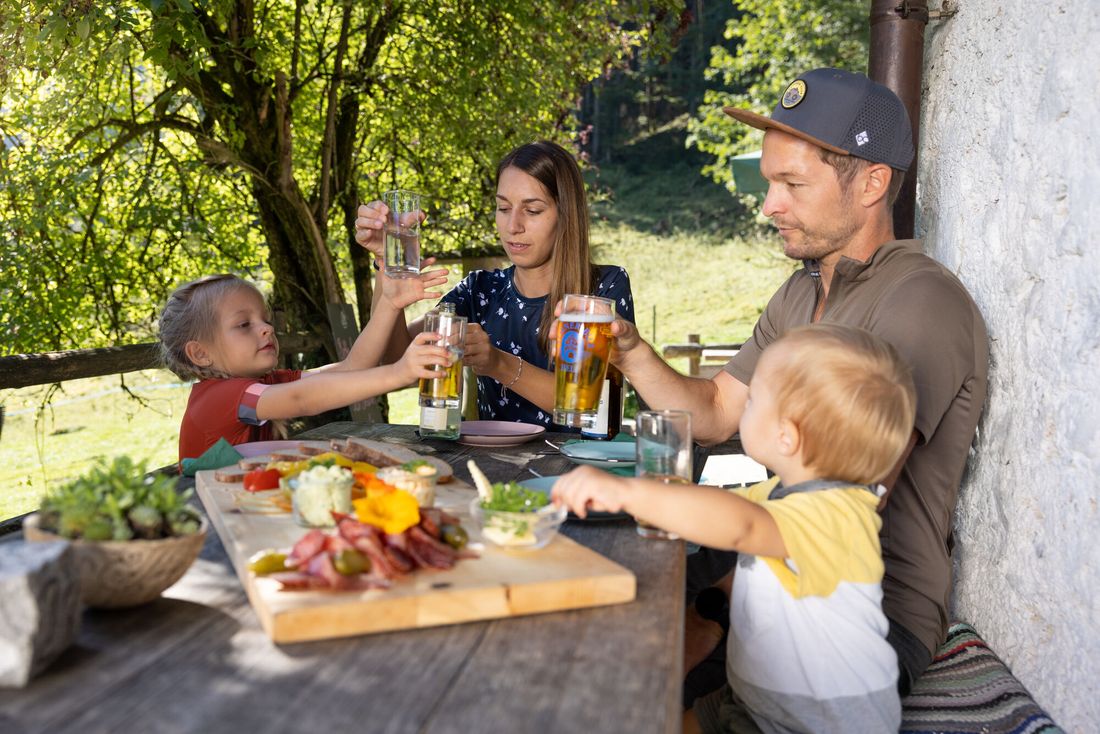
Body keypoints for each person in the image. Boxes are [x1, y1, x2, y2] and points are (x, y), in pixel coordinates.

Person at [602, 68, 989, 696]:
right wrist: (631, 354)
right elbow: (717, 412)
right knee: (596, 583)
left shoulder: (921, 302)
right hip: (766, 564)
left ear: (872, 183)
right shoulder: (800, 292)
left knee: (624, 683)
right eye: (769, 181)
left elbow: (843, 498)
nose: (768, 205)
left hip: (858, 615)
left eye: (792, 184)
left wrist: (710, 612)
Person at [555, 324, 917, 733]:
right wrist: (657, 501)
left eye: (754, 399)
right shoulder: (786, 492)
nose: (744, 407)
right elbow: (712, 509)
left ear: (786, 436)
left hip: (818, 720)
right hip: (757, 698)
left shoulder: (834, 515)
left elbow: (739, 525)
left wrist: (629, 493)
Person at [354, 140, 635, 427]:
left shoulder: (604, 287)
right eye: (503, 208)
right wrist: (387, 264)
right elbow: (396, 360)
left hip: (579, 457)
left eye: (532, 211)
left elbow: (594, 405)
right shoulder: (480, 290)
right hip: (489, 456)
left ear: (566, 215)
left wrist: (499, 364)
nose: (513, 226)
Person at [159, 271, 450, 462]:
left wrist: (389, 304)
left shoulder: (264, 384)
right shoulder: (220, 396)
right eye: (244, 324)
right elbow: (302, 398)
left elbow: (353, 367)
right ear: (200, 353)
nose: (266, 329)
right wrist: (399, 372)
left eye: (265, 320)